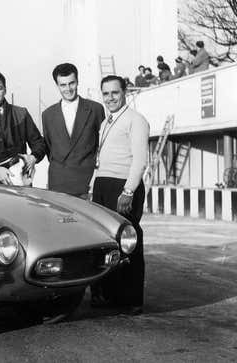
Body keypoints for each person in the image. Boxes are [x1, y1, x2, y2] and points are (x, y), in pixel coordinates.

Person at [90, 75, 149, 315]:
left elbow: (140, 160)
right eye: (106, 94)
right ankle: (112, 296)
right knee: (108, 242)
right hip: (104, 185)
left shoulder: (136, 120)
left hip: (123, 185)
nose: (110, 98)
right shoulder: (106, 123)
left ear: (125, 92)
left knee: (129, 242)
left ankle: (133, 299)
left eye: (115, 93)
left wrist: (128, 190)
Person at [40, 63, 105, 197]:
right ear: (57, 86)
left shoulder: (95, 109)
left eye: (72, 83)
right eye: (63, 85)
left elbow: (103, 145)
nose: (68, 89)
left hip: (87, 182)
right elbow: (49, 148)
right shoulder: (47, 114)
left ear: (77, 82)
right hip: (58, 183)